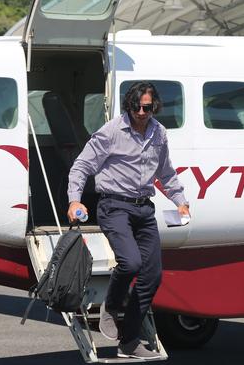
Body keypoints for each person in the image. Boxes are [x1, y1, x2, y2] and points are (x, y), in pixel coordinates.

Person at [67, 81, 189, 360]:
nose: (142, 112)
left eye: (147, 107)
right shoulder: (112, 131)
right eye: (137, 106)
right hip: (114, 206)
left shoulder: (159, 133)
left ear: (154, 106)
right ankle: (110, 307)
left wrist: (180, 202)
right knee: (131, 262)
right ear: (129, 105)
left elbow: (166, 173)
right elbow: (82, 164)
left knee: (152, 275)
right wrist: (75, 199)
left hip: (143, 210)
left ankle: (129, 340)